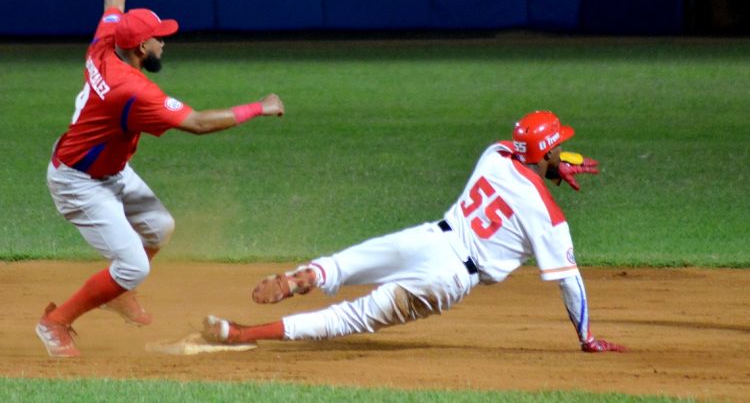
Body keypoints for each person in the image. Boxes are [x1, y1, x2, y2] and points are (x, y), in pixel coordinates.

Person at [36, 0, 285, 358]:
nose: (164, 40)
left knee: (159, 228)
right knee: (132, 263)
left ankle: (117, 289)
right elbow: (198, 123)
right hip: (78, 181)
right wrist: (260, 107)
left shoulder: (106, 43)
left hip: (100, 166)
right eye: (159, 37)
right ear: (140, 47)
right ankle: (56, 322)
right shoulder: (132, 90)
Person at [201, 111, 625, 354]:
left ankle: (304, 276)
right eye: (558, 146)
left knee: (343, 264)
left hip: (428, 237)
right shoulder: (549, 216)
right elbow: (571, 284)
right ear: (548, 151)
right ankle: (239, 334)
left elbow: (521, 152)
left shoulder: (495, 154)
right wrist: (586, 337)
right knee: (352, 317)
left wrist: (550, 161)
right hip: (448, 278)